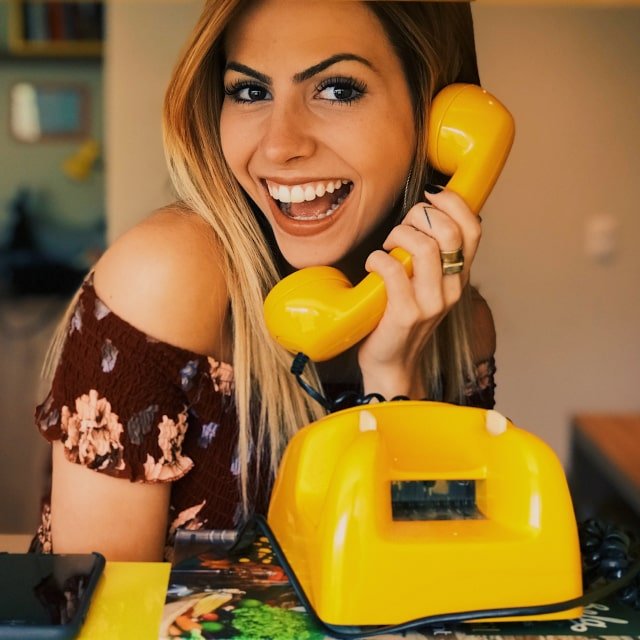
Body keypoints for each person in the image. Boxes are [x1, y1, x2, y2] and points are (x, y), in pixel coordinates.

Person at [31, 0, 497, 562]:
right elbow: (100, 604)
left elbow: (431, 583)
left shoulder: (461, 329)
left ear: (438, 117)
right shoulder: (165, 279)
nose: (279, 146)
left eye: (337, 90)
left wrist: (394, 380)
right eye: (250, 91)